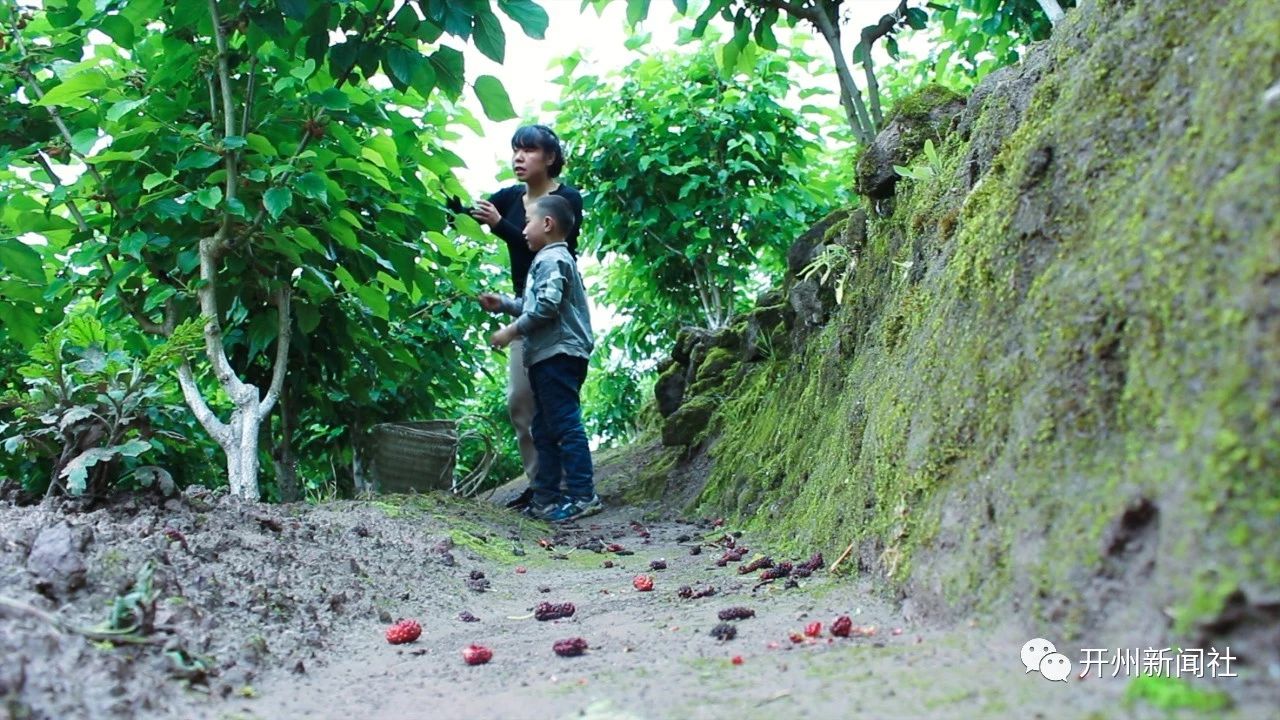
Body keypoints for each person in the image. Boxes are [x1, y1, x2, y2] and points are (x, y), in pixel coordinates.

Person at [469, 125, 583, 510]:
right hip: (523, 304)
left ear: (549, 157)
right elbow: (465, 210)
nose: (518, 157)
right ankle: (543, 486)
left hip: (553, 310)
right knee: (521, 399)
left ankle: (571, 488)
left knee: (557, 405)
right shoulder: (508, 198)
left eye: (528, 150)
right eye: (515, 150)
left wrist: (500, 225)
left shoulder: (564, 201)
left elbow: (543, 249)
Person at [478, 195, 599, 522]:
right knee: (543, 428)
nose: (523, 229)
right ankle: (546, 498)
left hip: (559, 354)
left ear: (547, 224)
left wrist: (509, 331)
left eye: (527, 221)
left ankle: (583, 495)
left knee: (564, 424)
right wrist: (503, 302)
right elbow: (537, 303)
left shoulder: (552, 259)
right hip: (549, 355)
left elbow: (546, 308)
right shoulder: (547, 260)